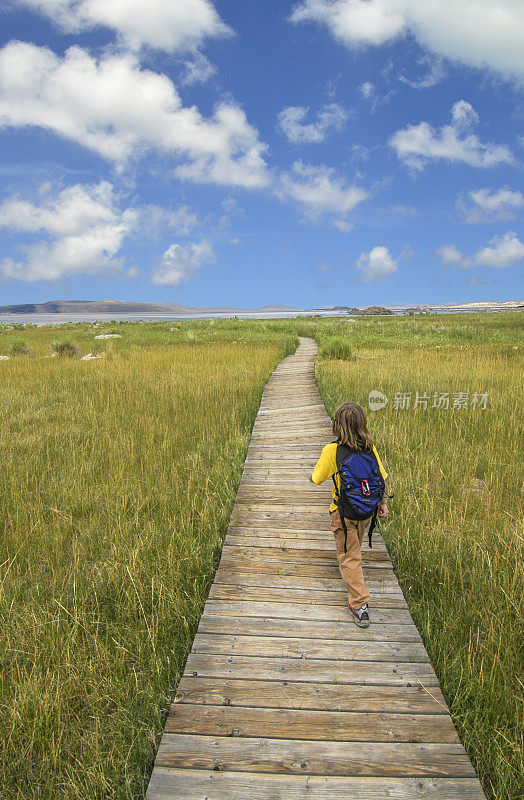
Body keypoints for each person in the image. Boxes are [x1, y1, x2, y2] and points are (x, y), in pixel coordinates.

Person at [309, 401, 389, 628]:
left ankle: (359, 603)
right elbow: (381, 479)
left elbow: (317, 478)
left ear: (337, 426)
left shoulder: (332, 451)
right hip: (367, 511)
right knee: (354, 546)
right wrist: (383, 503)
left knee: (349, 556)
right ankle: (351, 567)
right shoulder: (369, 448)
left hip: (343, 513)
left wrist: (310, 476)